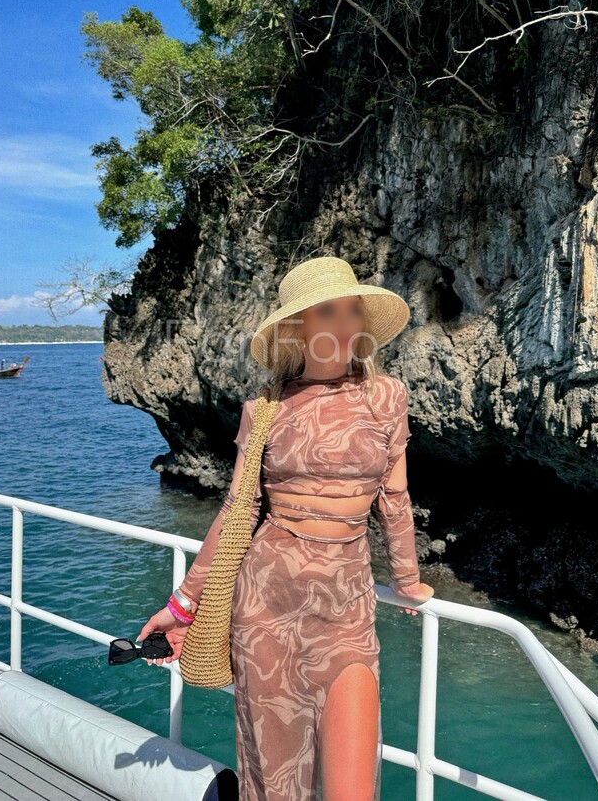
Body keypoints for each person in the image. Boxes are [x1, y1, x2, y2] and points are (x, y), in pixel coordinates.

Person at [137, 255, 434, 800]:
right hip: (265, 608)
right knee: (274, 784)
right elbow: (238, 510)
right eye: (326, 312)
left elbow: (395, 496)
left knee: (352, 790)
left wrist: (408, 578)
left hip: (346, 612)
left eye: (351, 310)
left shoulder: (386, 396)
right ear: (297, 327)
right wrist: (182, 606)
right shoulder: (265, 408)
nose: (343, 325)